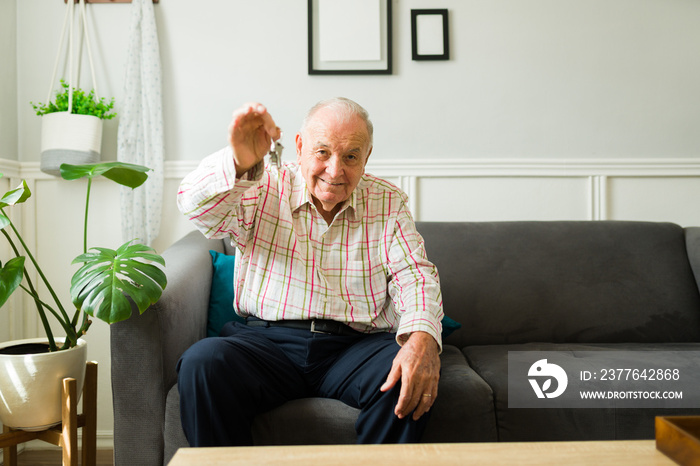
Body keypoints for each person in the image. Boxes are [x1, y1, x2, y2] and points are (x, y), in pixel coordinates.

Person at [176, 98, 443, 446]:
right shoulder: (263, 185)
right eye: (322, 153)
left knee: (403, 375)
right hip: (267, 343)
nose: (335, 171)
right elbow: (195, 207)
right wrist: (239, 162)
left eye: (350, 156)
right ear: (300, 147)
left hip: (354, 347)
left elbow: (416, 276)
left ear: (367, 156)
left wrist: (422, 339)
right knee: (203, 362)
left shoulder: (388, 202)